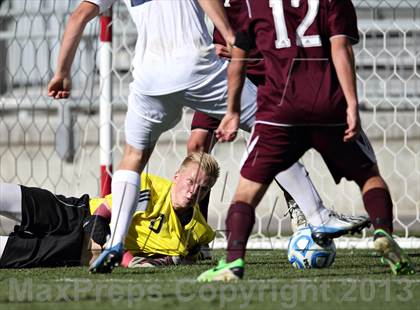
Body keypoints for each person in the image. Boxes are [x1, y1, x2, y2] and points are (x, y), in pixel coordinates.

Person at [48, 0, 367, 274]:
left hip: (149, 79)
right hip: (197, 67)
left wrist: (61, 72)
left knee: (132, 158)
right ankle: (317, 215)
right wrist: (231, 34)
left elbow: (78, 17)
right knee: (271, 127)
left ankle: (115, 243)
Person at [198, 0, 415, 281]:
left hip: (279, 109)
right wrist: (351, 105)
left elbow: (237, 61)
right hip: (328, 104)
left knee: (246, 192)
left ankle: (233, 262)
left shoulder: (254, 4)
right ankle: (384, 231)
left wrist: (232, 111)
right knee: (370, 177)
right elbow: (341, 49)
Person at [187, 0, 369, 238]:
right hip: (227, 70)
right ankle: (196, 232)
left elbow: (283, 33)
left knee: (276, 142)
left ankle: (301, 210)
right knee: (197, 145)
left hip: (271, 72)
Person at [0, 152, 218, 269]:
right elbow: (103, 215)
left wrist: (165, 261)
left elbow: (188, 257)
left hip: (78, 251)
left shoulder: (200, 231)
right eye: (190, 182)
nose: (193, 192)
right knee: (14, 197)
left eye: (203, 188)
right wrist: (127, 259)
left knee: (13, 252)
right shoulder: (150, 187)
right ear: (176, 176)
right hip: (77, 215)